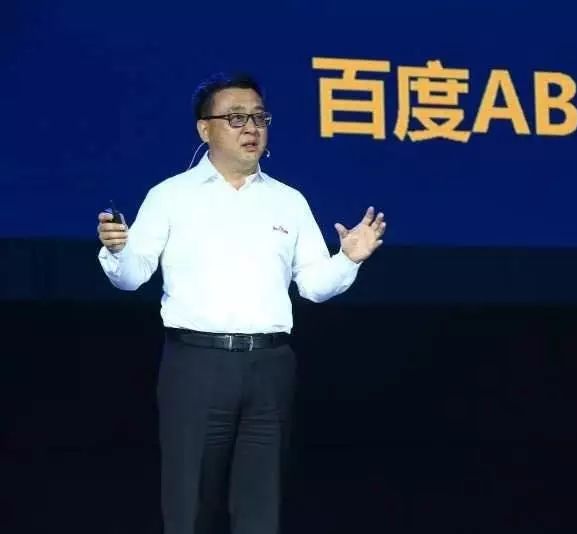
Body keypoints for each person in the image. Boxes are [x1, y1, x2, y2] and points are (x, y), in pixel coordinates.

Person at [96, 72, 386, 534]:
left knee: (261, 506)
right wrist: (116, 251)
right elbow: (132, 277)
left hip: (270, 366)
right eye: (235, 118)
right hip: (196, 364)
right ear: (204, 129)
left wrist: (348, 259)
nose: (251, 128)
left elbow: (313, 285)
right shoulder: (170, 196)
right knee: (189, 505)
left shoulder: (288, 201)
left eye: (258, 117)